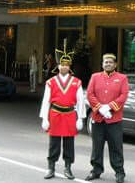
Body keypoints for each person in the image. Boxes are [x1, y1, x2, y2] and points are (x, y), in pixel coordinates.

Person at [39, 48, 85, 180]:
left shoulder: (77, 82)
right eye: (61, 64)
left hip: (70, 115)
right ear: (58, 66)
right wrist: (44, 118)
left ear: (69, 66)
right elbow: (46, 101)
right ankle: (51, 167)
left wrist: (80, 118)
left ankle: (68, 167)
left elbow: (81, 101)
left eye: (66, 65)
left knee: (69, 143)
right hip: (55, 115)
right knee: (54, 143)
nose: (64, 67)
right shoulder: (51, 82)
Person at [85, 54, 129, 183]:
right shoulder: (95, 77)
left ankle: (119, 172)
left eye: (110, 62)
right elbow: (89, 94)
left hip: (114, 120)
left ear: (115, 64)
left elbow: (124, 95)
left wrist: (110, 107)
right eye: (105, 62)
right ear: (102, 64)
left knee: (116, 147)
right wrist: (99, 108)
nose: (108, 64)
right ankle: (96, 170)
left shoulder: (122, 78)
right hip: (98, 119)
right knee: (97, 147)